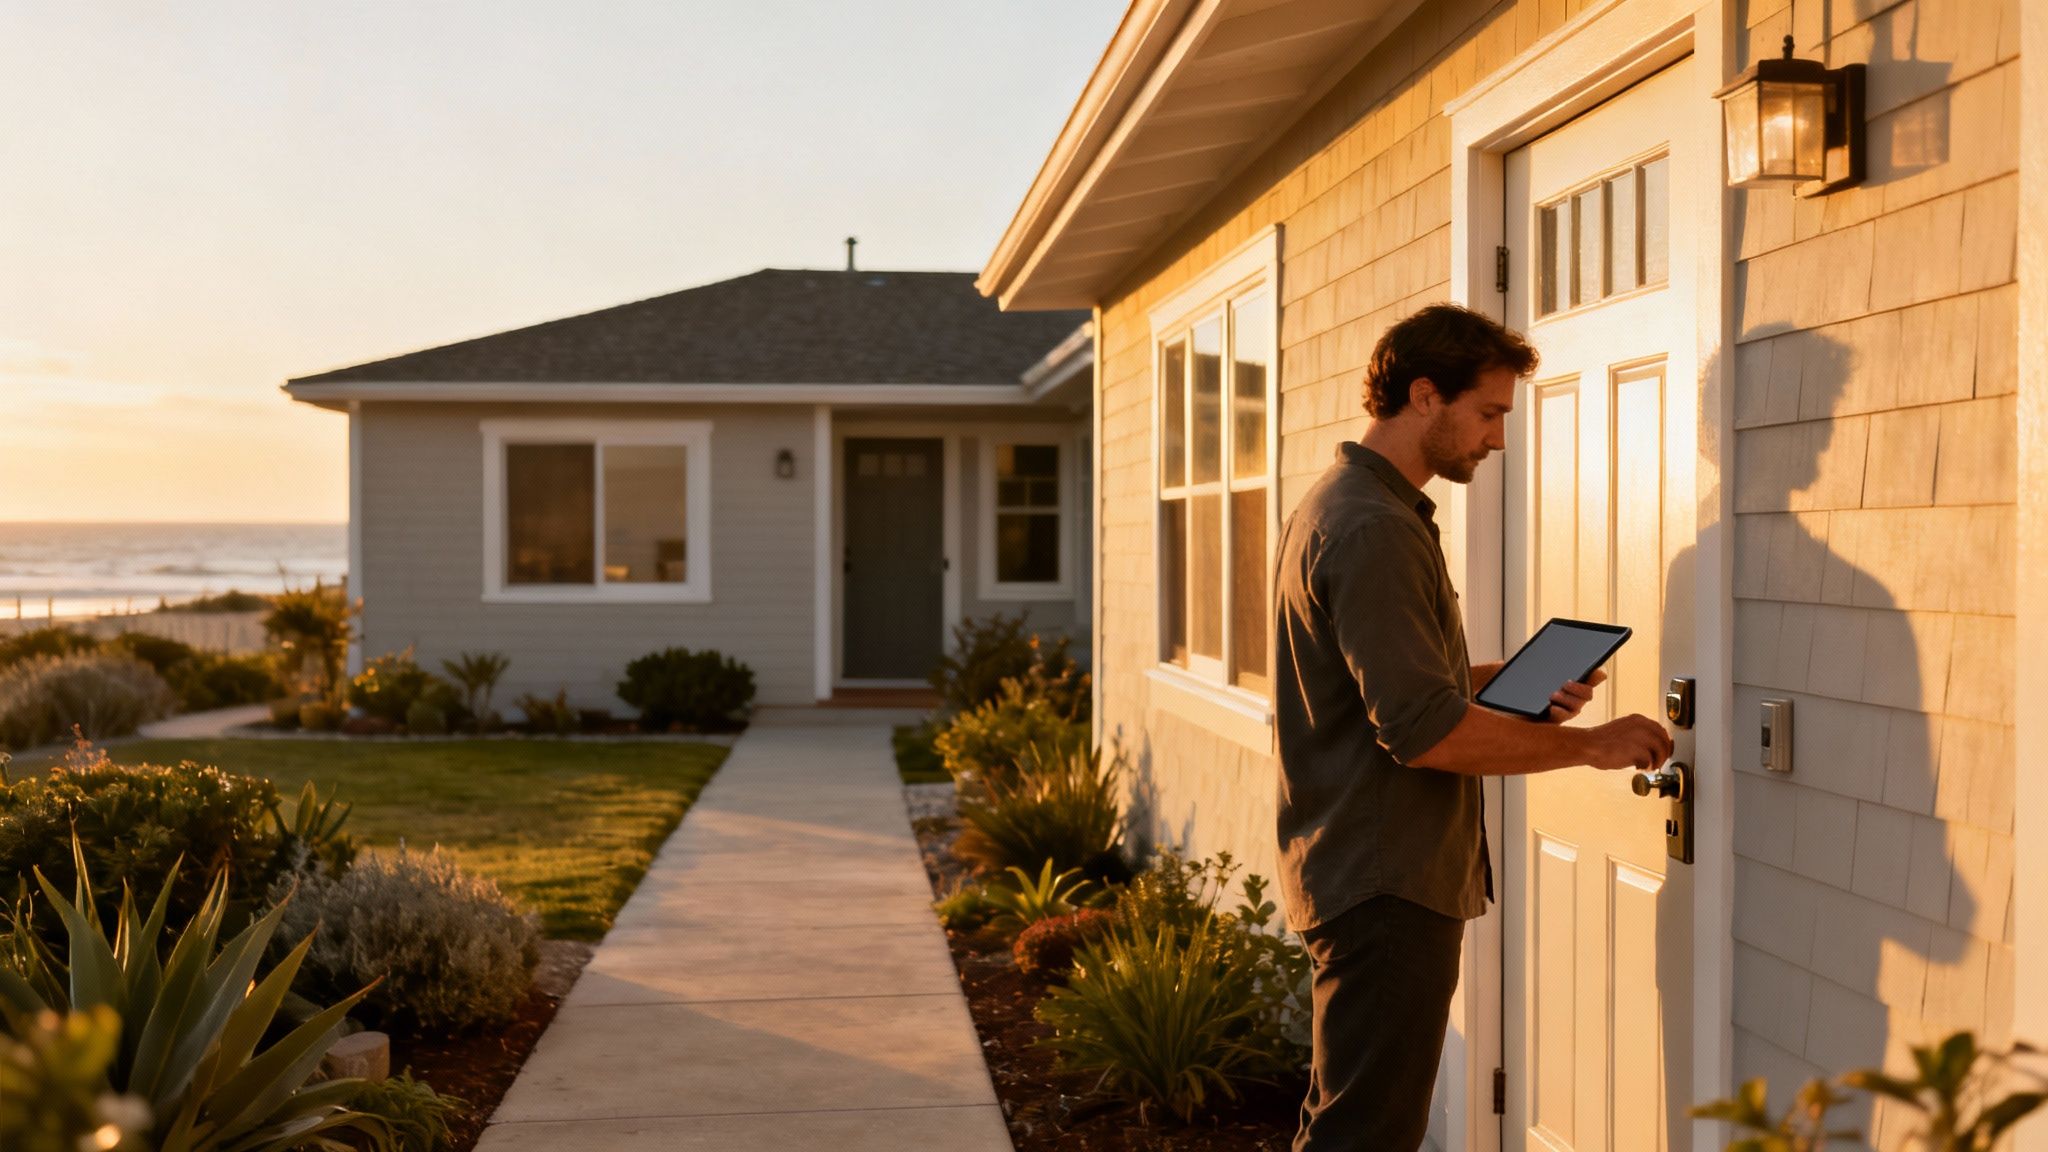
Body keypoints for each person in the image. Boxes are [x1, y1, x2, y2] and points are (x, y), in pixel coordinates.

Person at [1274, 303, 1674, 1151]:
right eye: (1488, 413)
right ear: (1425, 395)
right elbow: (1423, 734)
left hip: (1362, 865)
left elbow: (1381, 689)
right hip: (1385, 880)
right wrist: (1591, 747)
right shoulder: (1374, 526)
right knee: (1366, 1136)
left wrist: (1499, 683)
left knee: (1344, 1119)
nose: (1497, 439)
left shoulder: (1345, 505)